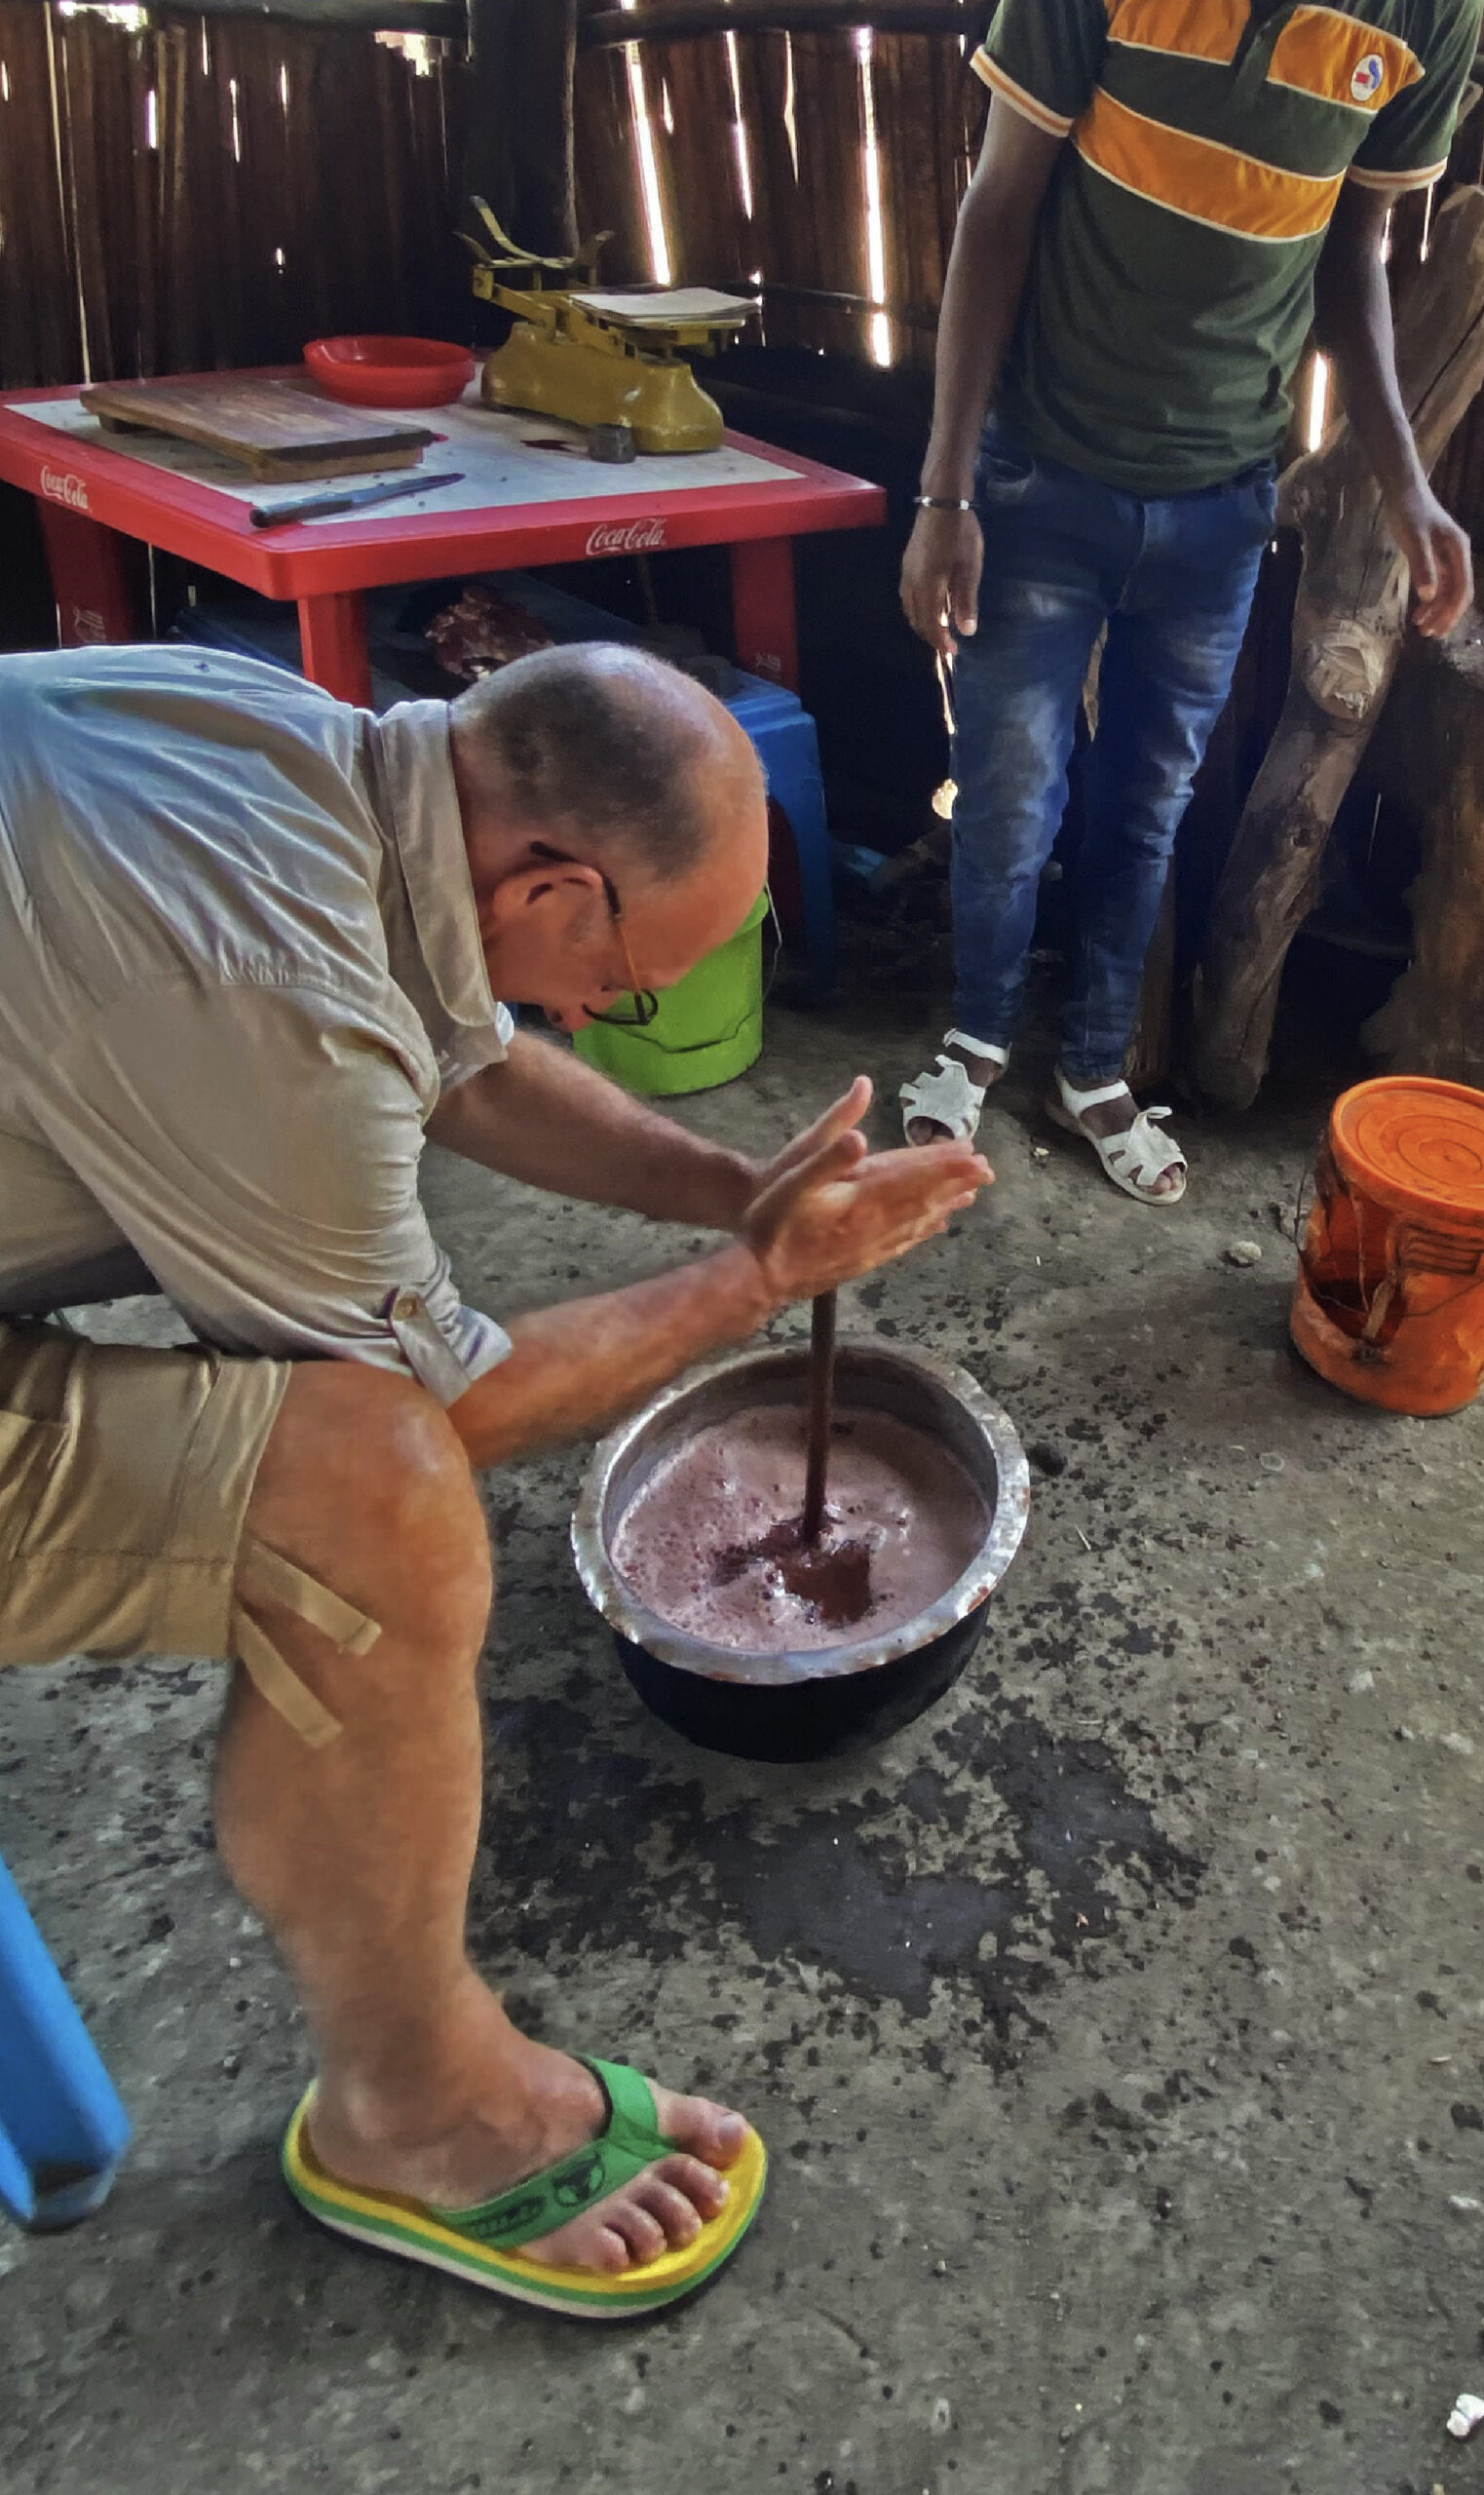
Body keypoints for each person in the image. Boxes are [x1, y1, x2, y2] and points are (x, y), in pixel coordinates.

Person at [0, 641, 990, 2317]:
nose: (600, 1018)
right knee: (370, 1503)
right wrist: (748, 1289)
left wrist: (741, 1196)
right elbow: (446, 1406)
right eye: (626, 981)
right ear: (550, 882)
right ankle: (417, 2112)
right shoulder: (271, 999)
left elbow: (460, 1043)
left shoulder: (292, 749)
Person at [898, 0, 1480, 1202]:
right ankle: (975, 1044)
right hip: (1040, 476)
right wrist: (945, 493)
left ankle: (1095, 1068)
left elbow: (1352, 252)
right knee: (1009, 799)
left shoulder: (1426, 16)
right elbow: (998, 207)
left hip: (1221, 507)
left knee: (1146, 807)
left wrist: (1406, 486)